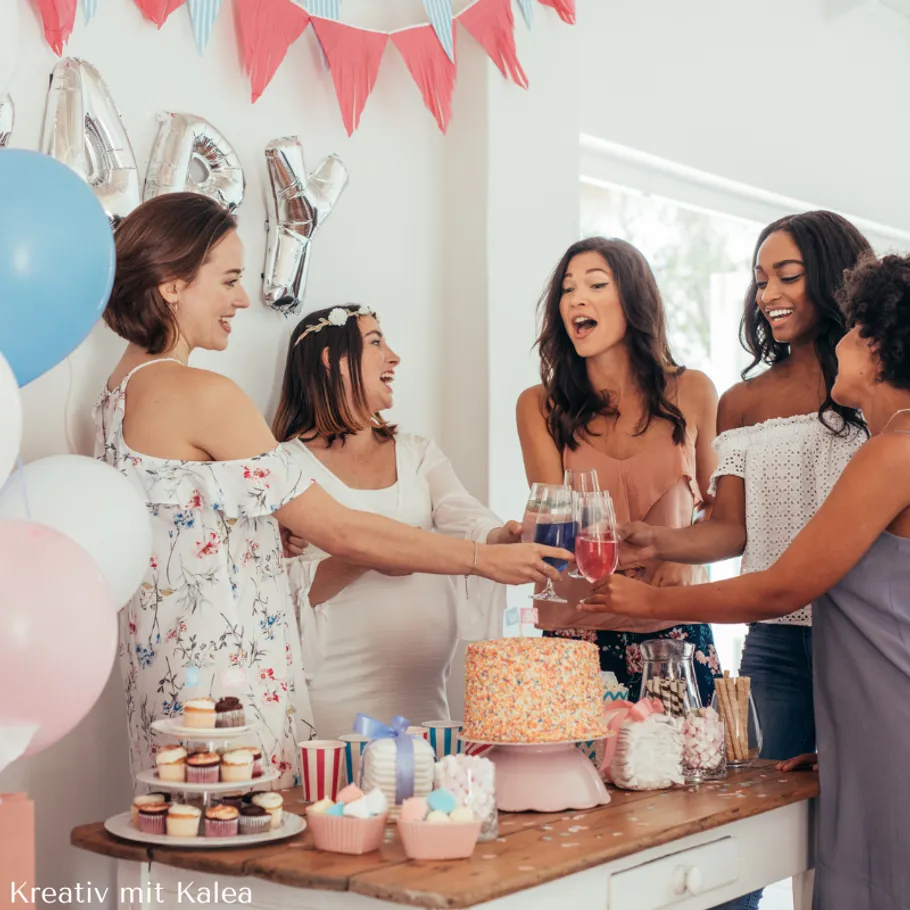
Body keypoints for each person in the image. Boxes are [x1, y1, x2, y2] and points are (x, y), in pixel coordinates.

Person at [96, 193, 570, 787]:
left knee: (182, 830)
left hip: (167, 675)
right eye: (230, 280)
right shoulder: (202, 393)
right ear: (172, 285)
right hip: (228, 684)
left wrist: (258, 535)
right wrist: (483, 559)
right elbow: (340, 528)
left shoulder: (117, 395)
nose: (242, 299)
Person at [583, 251, 910, 910]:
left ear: (877, 348)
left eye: (853, 331)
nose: (840, 344)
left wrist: (653, 600)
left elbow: (782, 586)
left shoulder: (894, 451)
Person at [277, 306, 521, 737]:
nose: (394, 357)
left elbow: (467, 518)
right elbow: (280, 593)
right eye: (376, 342)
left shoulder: (416, 453)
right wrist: (369, 555)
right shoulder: (285, 466)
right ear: (333, 360)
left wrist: (507, 537)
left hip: (424, 692)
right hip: (334, 690)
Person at [516, 237, 721, 704]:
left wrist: (682, 555)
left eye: (596, 284)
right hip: (577, 632)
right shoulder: (539, 406)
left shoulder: (693, 391)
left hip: (674, 630)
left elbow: (720, 509)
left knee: (685, 752)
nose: (577, 299)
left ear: (633, 299)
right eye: (567, 289)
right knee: (583, 755)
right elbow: (556, 520)